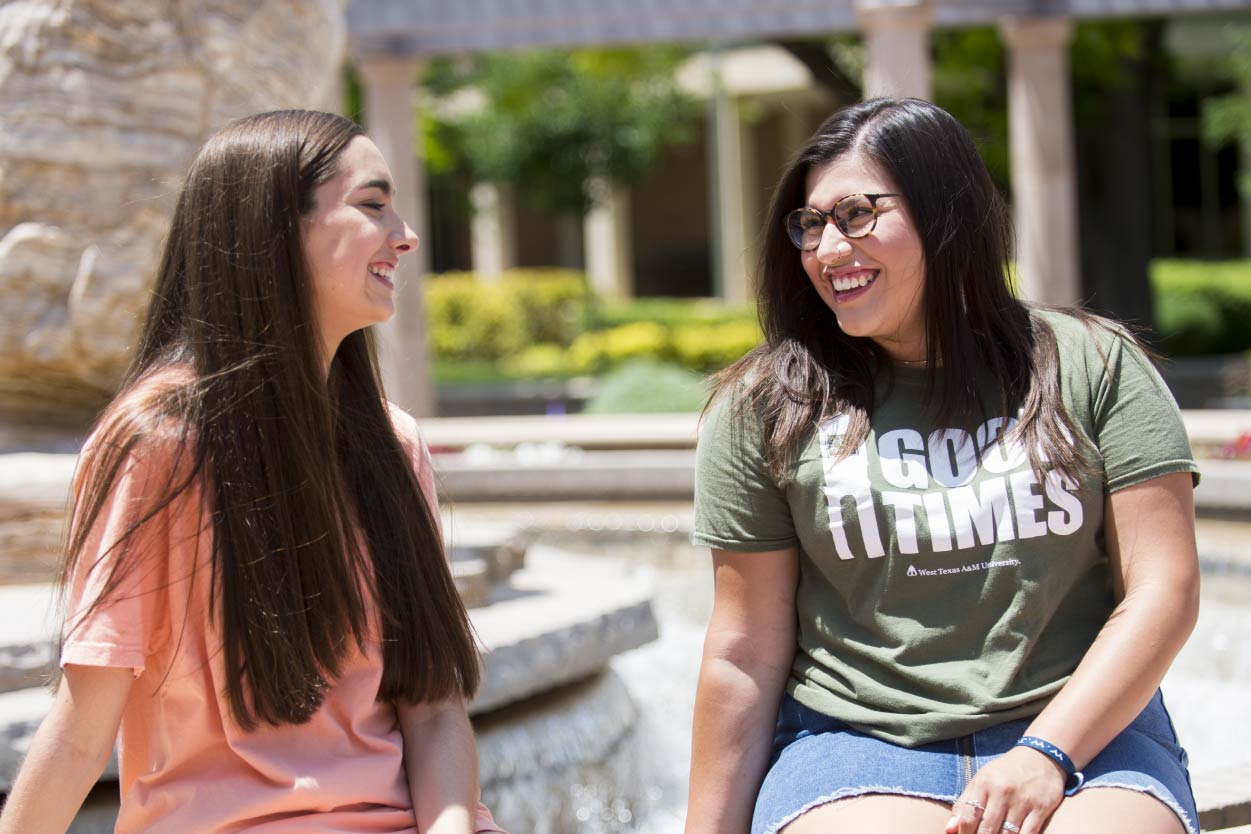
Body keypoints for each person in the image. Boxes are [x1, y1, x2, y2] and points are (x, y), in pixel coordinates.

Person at [685, 98, 1200, 834]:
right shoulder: (764, 406)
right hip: (856, 746)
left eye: (856, 215)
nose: (827, 249)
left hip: (1084, 733)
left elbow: (1163, 590)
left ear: (943, 210)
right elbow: (743, 648)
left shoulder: (1092, 365)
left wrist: (1045, 752)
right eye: (810, 223)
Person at [0, 110, 506, 834]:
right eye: (371, 204)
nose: (405, 233)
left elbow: (430, 706)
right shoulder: (155, 447)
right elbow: (83, 729)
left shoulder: (394, 449)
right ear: (273, 230)